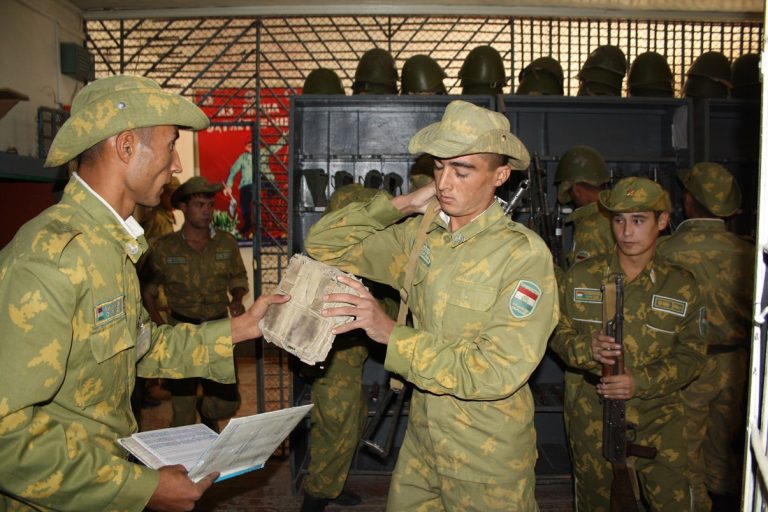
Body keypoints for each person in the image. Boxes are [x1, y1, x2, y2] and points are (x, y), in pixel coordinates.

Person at [0, 74, 289, 512]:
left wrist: (243, 327)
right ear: (127, 147)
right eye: (171, 144)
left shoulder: (110, 249)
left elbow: (141, 347)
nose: (176, 164)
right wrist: (139, 488)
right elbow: (7, 438)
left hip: (101, 479)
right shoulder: (49, 259)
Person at [304, 100, 559, 511]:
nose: (445, 182)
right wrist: (403, 203)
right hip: (423, 442)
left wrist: (390, 335)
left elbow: (496, 371)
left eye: (462, 170)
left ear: (500, 175)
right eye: (439, 167)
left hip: (485, 457)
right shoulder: (422, 237)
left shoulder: (522, 256)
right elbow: (324, 244)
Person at [550, 176, 706, 511]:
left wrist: (642, 381)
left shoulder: (682, 285)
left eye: (638, 220)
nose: (627, 232)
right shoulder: (582, 277)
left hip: (659, 417)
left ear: (662, 221)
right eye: (619, 220)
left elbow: (692, 355)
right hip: (593, 415)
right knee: (597, 503)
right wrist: (584, 349)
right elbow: (556, 333)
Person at [657, 163, 754, 512]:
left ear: (688, 200)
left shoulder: (666, 252)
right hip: (739, 363)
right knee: (727, 447)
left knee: (686, 448)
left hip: (689, 365)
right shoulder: (750, 252)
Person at [300, 184, 398, 512]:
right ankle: (315, 497)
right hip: (330, 361)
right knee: (335, 425)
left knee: (352, 421)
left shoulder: (366, 261)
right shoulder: (324, 266)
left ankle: (331, 484)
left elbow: (385, 312)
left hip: (350, 361)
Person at [142, 176, 250, 431]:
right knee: (182, 413)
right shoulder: (165, 248)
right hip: (182, 331)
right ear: (183, 208)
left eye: (210, 205)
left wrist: (236, 298)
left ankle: (206, 409)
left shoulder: (225, 243)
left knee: (227, 403)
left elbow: (238, 276)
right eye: (200, 205)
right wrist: (162, 327)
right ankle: (188, 465)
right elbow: (148, 292)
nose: (207, 211)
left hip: (218, 331)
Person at [554, 145, 613, 268]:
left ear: (576, 190)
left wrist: (551, 267)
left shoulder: (590, 227)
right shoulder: (618, 213)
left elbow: (582, 283)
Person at [140, 175, 181, 243]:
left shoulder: (166, 216)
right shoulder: (157, 219)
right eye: (171, 195)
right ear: (162, 194)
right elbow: (147, 249)